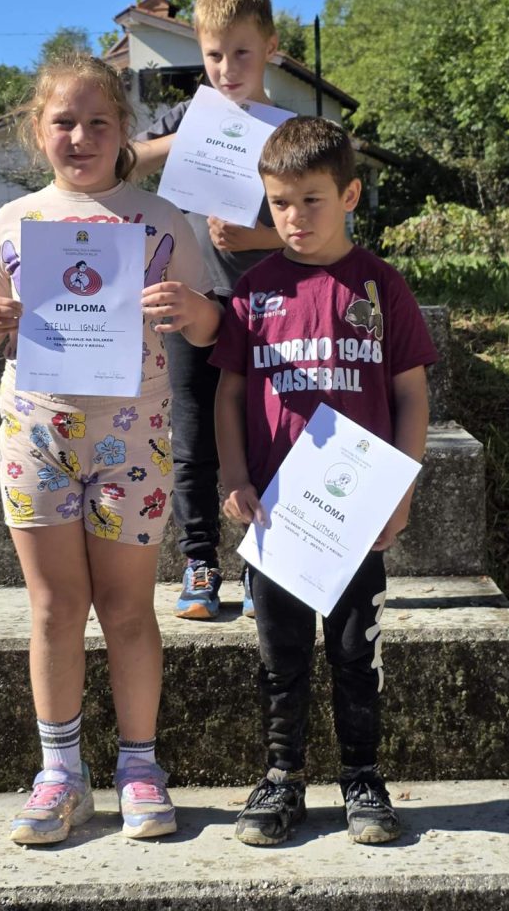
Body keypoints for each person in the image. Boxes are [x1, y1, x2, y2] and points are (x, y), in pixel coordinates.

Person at [0, 54, 221, 844]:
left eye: (98, 121)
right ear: (37, 131)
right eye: (63, 122)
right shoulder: (14, 221)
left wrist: (191, 311)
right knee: (53, 607)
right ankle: (60, 775)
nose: (80, 136)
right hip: (37, 437)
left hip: (132, 439)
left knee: (129, 610)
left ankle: (140, 768)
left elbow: (209, 323)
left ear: (124, 130)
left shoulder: (160, 220)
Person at [211, 116, 439, 846]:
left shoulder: (381, 285)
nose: (294, 217)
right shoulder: (253, 291)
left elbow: (411, 395)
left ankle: (362, 778)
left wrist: (400, 492)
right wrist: (236, 476)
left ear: (350, 195)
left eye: (311, 199)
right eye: (279, 203)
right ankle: (282, 778)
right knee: (280, 657)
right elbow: (228, 396)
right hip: (277, 519)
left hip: (354, 515)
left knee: (354, 652)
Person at [132, 0, 284, 620]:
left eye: (242, 53)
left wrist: (257, 237)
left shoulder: (291, 132)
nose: (227, 69)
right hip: (190, 301)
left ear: (270, 47)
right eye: (214, 54)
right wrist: (188, 137)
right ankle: (199, 562)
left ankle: (262, 563)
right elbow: (124, 162)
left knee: (266, 435)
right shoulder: (182, 117)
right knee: (192, 439)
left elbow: (331, 225)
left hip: (270, 309)